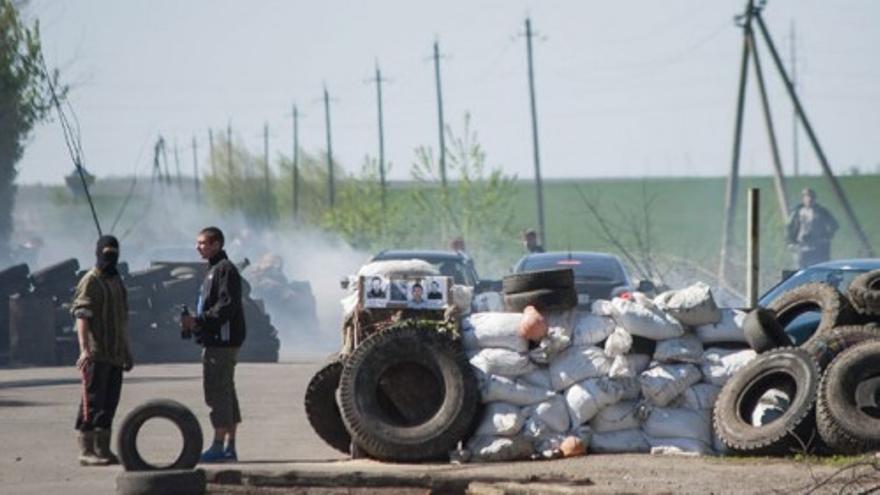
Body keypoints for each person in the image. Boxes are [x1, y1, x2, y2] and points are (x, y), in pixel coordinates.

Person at [181, 226, 246, 463]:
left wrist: (199, 320)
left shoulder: (225, 270)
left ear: (217, 244)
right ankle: (230, 446)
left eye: (203, 243)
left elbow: (226, 308)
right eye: (198, 243)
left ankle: (219, 446)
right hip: (216, 340)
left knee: (218, 393)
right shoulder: (213, 270)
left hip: (222, 342)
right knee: (226, 392)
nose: (198, 247)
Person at [71, 235, 133, 466]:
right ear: (98, 253)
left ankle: (103, 449)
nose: (111, 257)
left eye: (114, 253)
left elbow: (123, 319)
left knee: (110, 402)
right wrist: (85, 349)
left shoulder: (117, 281)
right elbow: (82, 317)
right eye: (107, 253)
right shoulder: (90, 281)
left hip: (115, 354)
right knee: (92, 402)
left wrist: (127, 350)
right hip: (97, 353)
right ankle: (86, 450)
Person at [787, 188, 839, 268]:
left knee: (819, 268)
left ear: (815, 199)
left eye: (811, 197)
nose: (809, 199)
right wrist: (791, 242)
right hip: (802, 246)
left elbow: (834, 225)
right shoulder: (796, 212)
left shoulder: (822, 211)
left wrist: (826, 237)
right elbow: (790, 228)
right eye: (807, 197)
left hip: (818, 246)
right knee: (801, 269)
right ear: (803, 199)